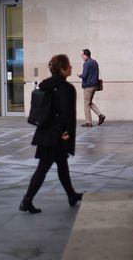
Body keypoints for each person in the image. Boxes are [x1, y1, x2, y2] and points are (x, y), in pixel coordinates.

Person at [20, 54, 82, 213]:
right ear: (62, 69)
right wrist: (67, 132)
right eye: (68, 65)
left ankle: (71, 195)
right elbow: (66, 114)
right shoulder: (66, 88)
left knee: (62, 164)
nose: (71, 67)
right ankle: (27, 200)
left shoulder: (46, 85)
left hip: (45, 132)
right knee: (43, 168)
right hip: (57, 135)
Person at [77, 49, 106, 127]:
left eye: (82, 55)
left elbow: (85, 75)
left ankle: (88, 122)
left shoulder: (86, 63)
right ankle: (100, 115)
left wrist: (79, 75)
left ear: (86, 55)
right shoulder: (95, 62)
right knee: (89, 102)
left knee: (86, 104)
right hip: (95, 85)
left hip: (88, 86)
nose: (81, 56)